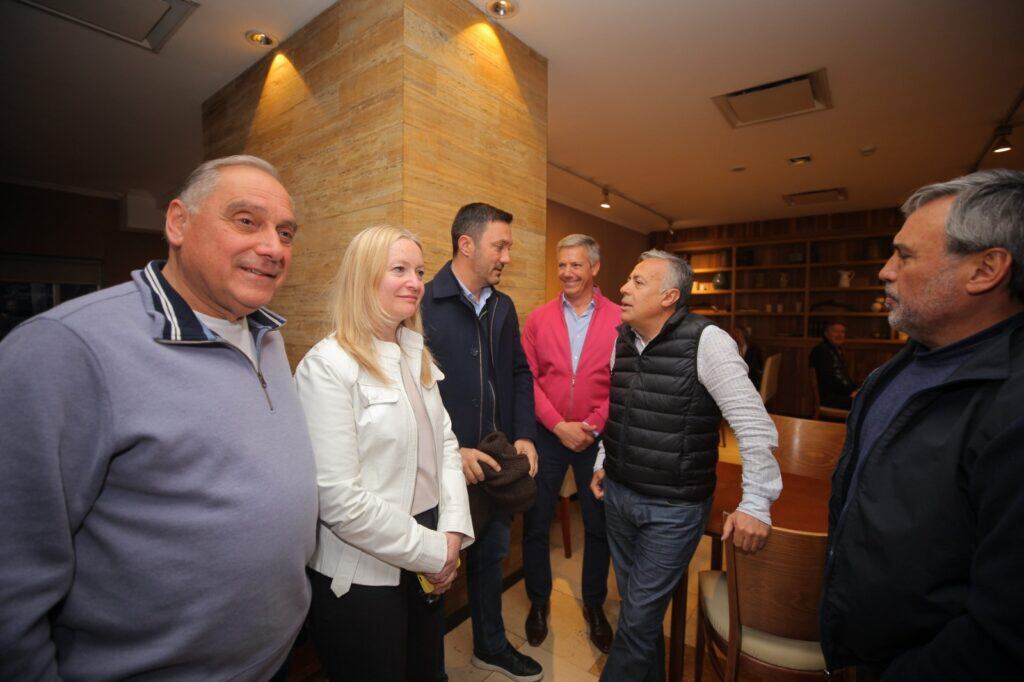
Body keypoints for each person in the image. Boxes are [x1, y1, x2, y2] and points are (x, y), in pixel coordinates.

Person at [0, 155, 318, 680]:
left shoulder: (268, 336)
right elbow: (12, 580)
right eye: (246, 221)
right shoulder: (65, 348)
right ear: (177, 223)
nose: (272, 247)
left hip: (271, 661)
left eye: (285, 233)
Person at [819, 169, 1024, 680]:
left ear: (986, 270)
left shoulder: (1012, 404)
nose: (886, 271)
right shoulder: (909, 362)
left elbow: (1005, 629)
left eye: (905, 255)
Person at [590, 250, 781, 682]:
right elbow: (616, 410)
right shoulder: (622, 338)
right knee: (640, 617)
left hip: (672, 510)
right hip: (619, 497)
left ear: (669, 296)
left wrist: (756, 502)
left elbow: (753, 423)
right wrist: (605, 458)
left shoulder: (708, 341)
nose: (623, 287)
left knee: (636, 619)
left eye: (638, 282)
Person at [294, 225, 474, 681]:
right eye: (399, 269)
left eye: (418, 270)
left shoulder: (416, 355)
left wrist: (451, 530)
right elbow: (338, 499)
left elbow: (446, 446)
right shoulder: (328, 365)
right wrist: (434, 550)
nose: (416, 282)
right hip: (362, 574)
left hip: (430, 550)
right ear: (363, 276)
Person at [421, 202, 542, 681]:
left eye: (508, 247)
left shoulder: (503, 307)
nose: (507, 257)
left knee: (491, 558)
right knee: (436, 571)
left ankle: (490, 646)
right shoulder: (423, 304)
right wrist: (451, 450)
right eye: (501, 245)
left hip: (494, 465)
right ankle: (429, 669)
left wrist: (526, 436)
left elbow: (517, 372)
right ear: (466, 244)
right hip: (441, 466)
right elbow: (413, 390)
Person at [520, 234, 620, 653]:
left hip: (596, 439)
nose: (567, 273)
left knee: (599, 526)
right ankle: (538, 601)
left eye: (576, 265)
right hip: (549, 435)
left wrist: (592, 426)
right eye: (562, 265)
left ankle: (594, 605)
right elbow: (526, 378)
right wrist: (559, 425)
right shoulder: (538, 319)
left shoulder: (621, 318)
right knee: (536, 521)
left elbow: (625, 381)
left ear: (594, 268)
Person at [809, 321, 858, 409]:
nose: (839, 335)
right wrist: (850, 392)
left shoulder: (836, 350)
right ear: (826, 334)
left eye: (842, 332)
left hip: (839, 395)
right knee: (867, 402)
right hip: (830, 398)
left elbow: (843, 377)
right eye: (835, 331)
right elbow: (831, 379)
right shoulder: (821, 351)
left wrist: (856, 390)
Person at [730, 324, 764, 389]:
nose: (735, 335)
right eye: (734, 333)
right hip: (736, 378)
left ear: (744, 334)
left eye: (737, 332)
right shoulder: (733, 348)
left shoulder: (754, 350)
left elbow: (754, 369)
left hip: (751, 380)